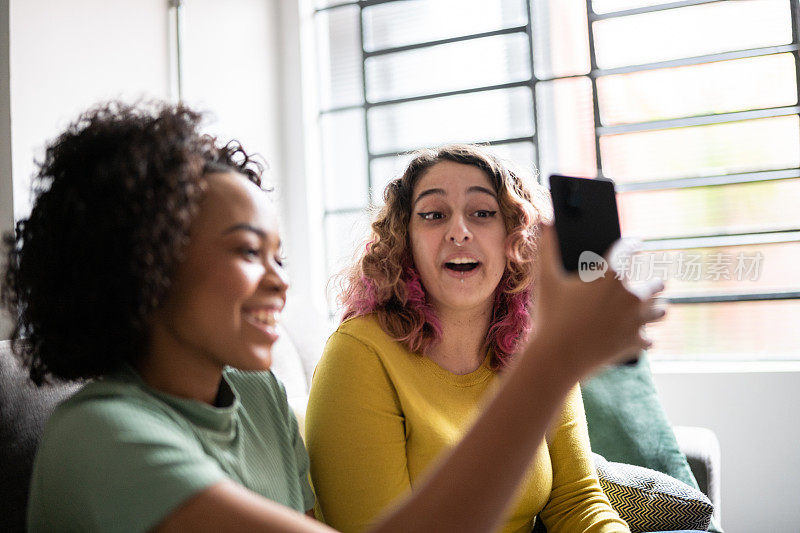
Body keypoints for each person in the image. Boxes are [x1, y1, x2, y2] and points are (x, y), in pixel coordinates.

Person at [2, 103, 660, 533]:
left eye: (279, 255)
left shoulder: (258, 396)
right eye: (245, 250)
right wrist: (551, 360)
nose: (280, 280)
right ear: (147, 263)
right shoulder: (100, 438)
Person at [306, 145, 664, 533]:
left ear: (516, 237)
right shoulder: (358, 354)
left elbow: (577, 502)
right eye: (433, 215)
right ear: (404, 240)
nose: (459, 231)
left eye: (482, 213)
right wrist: (551, 361)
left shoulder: (535, 342)